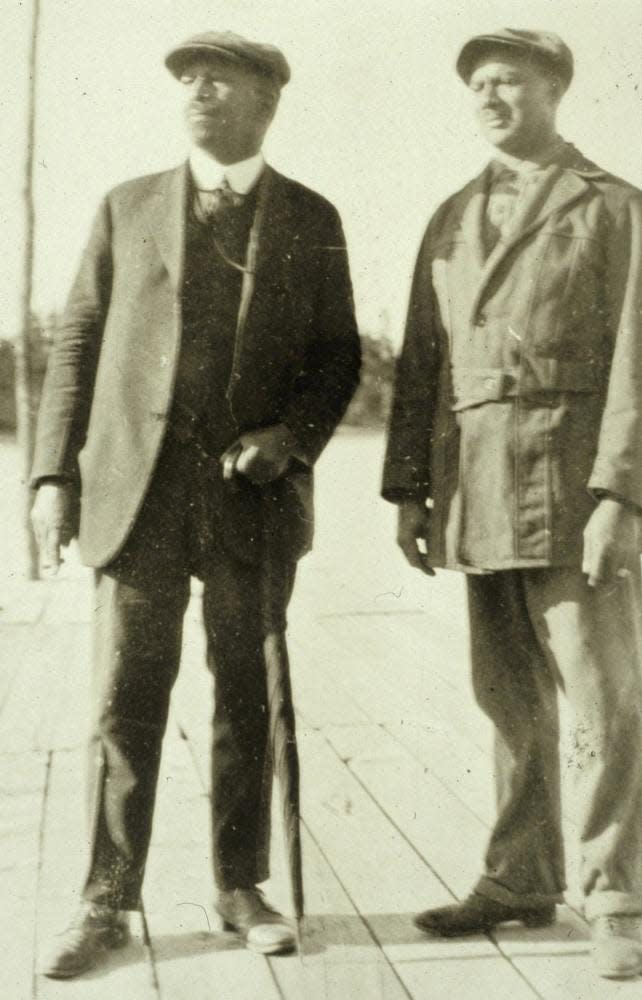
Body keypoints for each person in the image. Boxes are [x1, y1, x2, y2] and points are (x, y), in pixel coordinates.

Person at [31, 30, 360, 978]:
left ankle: (238, 883)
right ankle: (105, 898)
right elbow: (76, 347)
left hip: (249, 508)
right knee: (122, 699)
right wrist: (53, 477)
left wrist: (288, 439)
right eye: (187, 78)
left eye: (220, 78)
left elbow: (339, 357)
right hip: (135, 501)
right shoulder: (125, 206)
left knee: (244, 696)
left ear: (266, 101)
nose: (197, 89)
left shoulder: (309, 215)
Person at [382, 28, 642, 979]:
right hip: (477, 492)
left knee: (602, 700)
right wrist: (410, 491)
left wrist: (618, 495)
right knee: (509, 702)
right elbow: (422, 361)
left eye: (509, 79)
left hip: (573, 486)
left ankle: (618, 899)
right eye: (477, 83)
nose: (490, 95)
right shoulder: (450, 216)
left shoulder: (617, 208)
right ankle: (519, 880)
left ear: (556, 89)